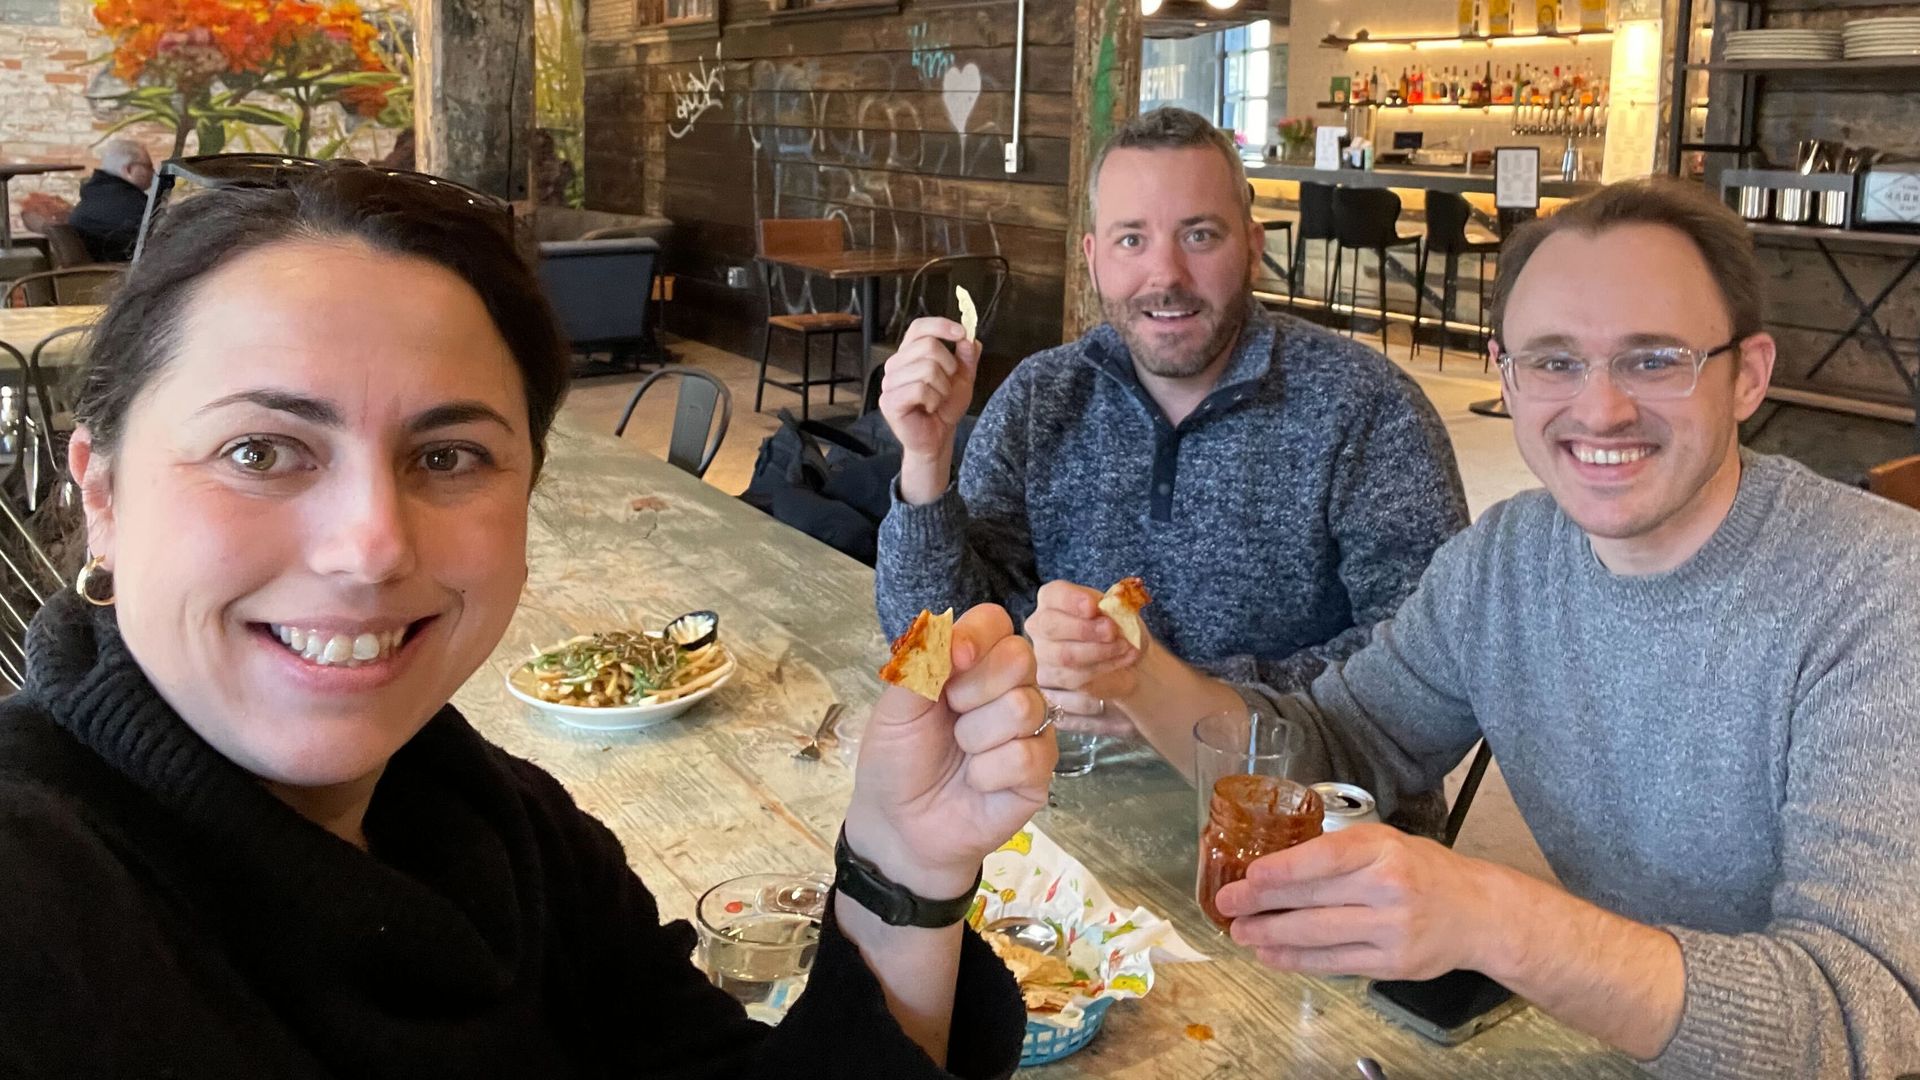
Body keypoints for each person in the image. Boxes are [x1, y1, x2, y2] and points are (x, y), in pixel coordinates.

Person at [0, 163, 1054, 1077]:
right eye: (261, 451)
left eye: (447, 456)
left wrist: (902, 869)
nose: (371, 547)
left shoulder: (512, 836)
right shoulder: (44, 906)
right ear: (103, 492)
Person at [1105, 179, 1920, 1075]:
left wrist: (1496, 919)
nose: (1601, 409)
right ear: (1507, 375)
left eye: (1655, 360)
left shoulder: (1881, 594)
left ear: (1748, 376)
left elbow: (1864, 1028)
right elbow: (1340, 748)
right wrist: (1134, 673)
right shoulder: (1508, 560)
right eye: (1555, 361)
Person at [874, 107, 1467, 743]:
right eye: (1132, 239)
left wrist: (1163, 699)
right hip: (1058, 788)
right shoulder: (1040, 397)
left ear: (1253, 247)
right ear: (1094, 258)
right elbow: (931, 647)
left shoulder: (1368, 408)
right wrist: (927, 463)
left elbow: (1432, 673)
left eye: (1200, 235)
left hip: (1287, 805)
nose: (1166, 277)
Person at [66, 138, 155, 263]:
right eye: (149, 167)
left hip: (92, 275)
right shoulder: (131, 204)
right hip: (120, 276)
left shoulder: (95, 195)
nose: (153, 172)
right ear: (129, 169)